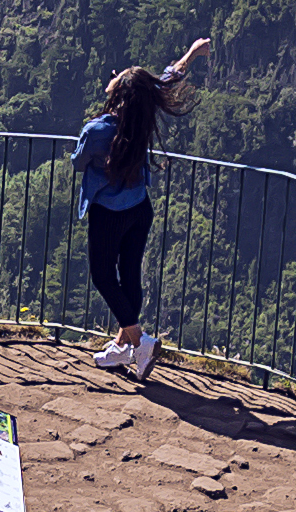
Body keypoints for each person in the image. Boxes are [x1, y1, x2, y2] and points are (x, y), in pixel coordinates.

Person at [73, 35, 213, 376]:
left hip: (108, 214)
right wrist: (192, 53)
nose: (113, 76)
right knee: (130, 273)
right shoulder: (142, 111)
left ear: (118, 92)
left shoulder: (98, 129)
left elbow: (79, 162)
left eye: (117, 77)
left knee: (104, 276)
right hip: (139, 208)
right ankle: (123, 347)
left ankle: (139, 343)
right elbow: (168, 77)